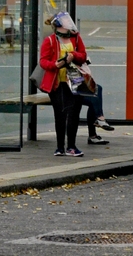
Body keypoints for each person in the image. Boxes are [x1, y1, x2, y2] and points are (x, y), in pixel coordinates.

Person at [38, 11, 87, 157]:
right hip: (57, 82)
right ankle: (60, 147)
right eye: (65, 24)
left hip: (75, 81)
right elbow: (43, 61)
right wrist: (55, 65)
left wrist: (74, 56)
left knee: (74, 113)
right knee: (60, 114)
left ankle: (71, 146)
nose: (69, 27)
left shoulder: (76, 38)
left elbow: (83, 55)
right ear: (58, 26)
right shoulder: (51, 40)